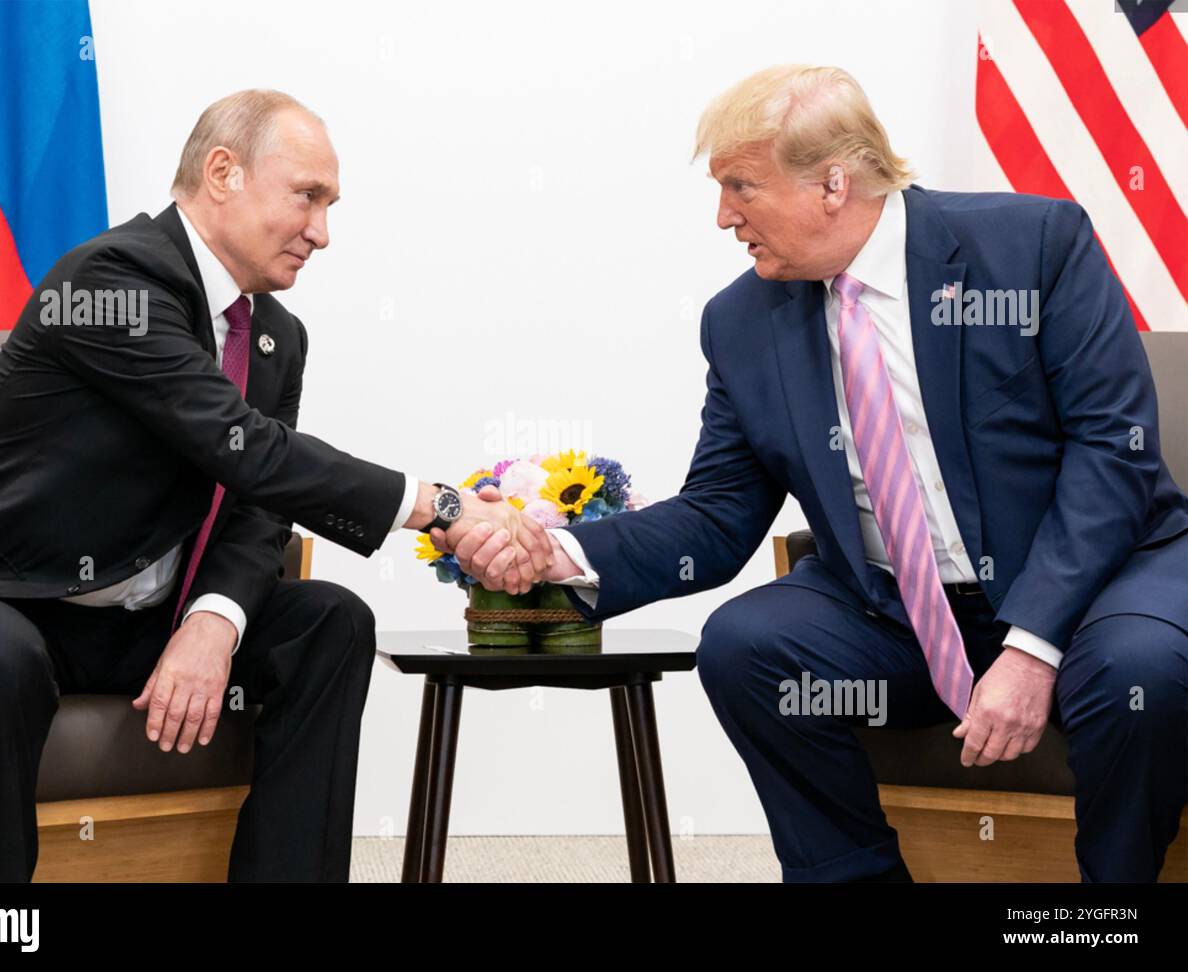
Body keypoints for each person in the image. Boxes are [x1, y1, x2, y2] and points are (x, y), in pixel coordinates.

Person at [444, 65, 1188, 882]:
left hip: (1095, 587)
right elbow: (720, 513)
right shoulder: (741, 321)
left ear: (833, 183)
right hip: (897, 610)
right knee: (748, 645)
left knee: (1137, 674)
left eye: (741, 187)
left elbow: (1111, 455)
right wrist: (566, 555)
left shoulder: (1034, 247)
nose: (723, 216)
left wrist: (1033, 644)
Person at [0, 89, 551, 882]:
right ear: (223, 172)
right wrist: (439, 505)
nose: (323, 232)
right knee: (0, 657)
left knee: (330, 623)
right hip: (0, 597)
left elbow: (257, 505)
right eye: (308, 197)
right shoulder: (112, 279)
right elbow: (250, 451)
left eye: (331, 205)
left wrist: (216, 620)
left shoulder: (275, 335)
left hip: (140, 621)